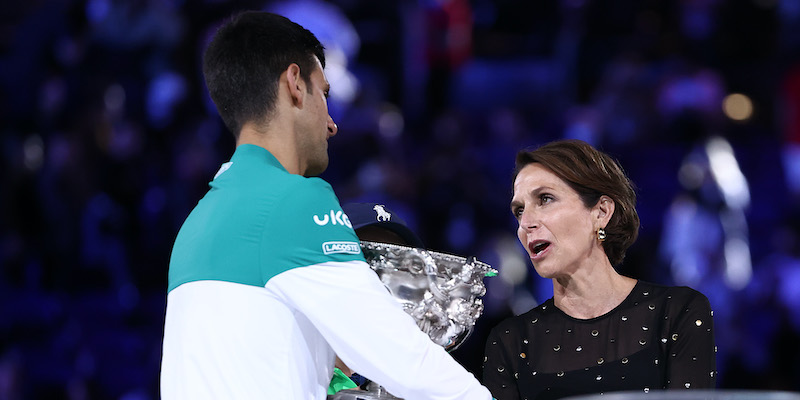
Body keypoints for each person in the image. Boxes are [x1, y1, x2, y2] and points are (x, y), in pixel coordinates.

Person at [160, 11, 492, 400]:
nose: (332, 123)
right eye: (325, 94)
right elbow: (406, 362)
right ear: (295, 84)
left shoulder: (197, 222)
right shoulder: (292, 199)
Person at [483, 139, 716, 400]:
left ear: (601, 212)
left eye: (545, 199)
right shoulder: (509, 341)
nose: (526, 223)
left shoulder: (677, 313)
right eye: (519, 211)